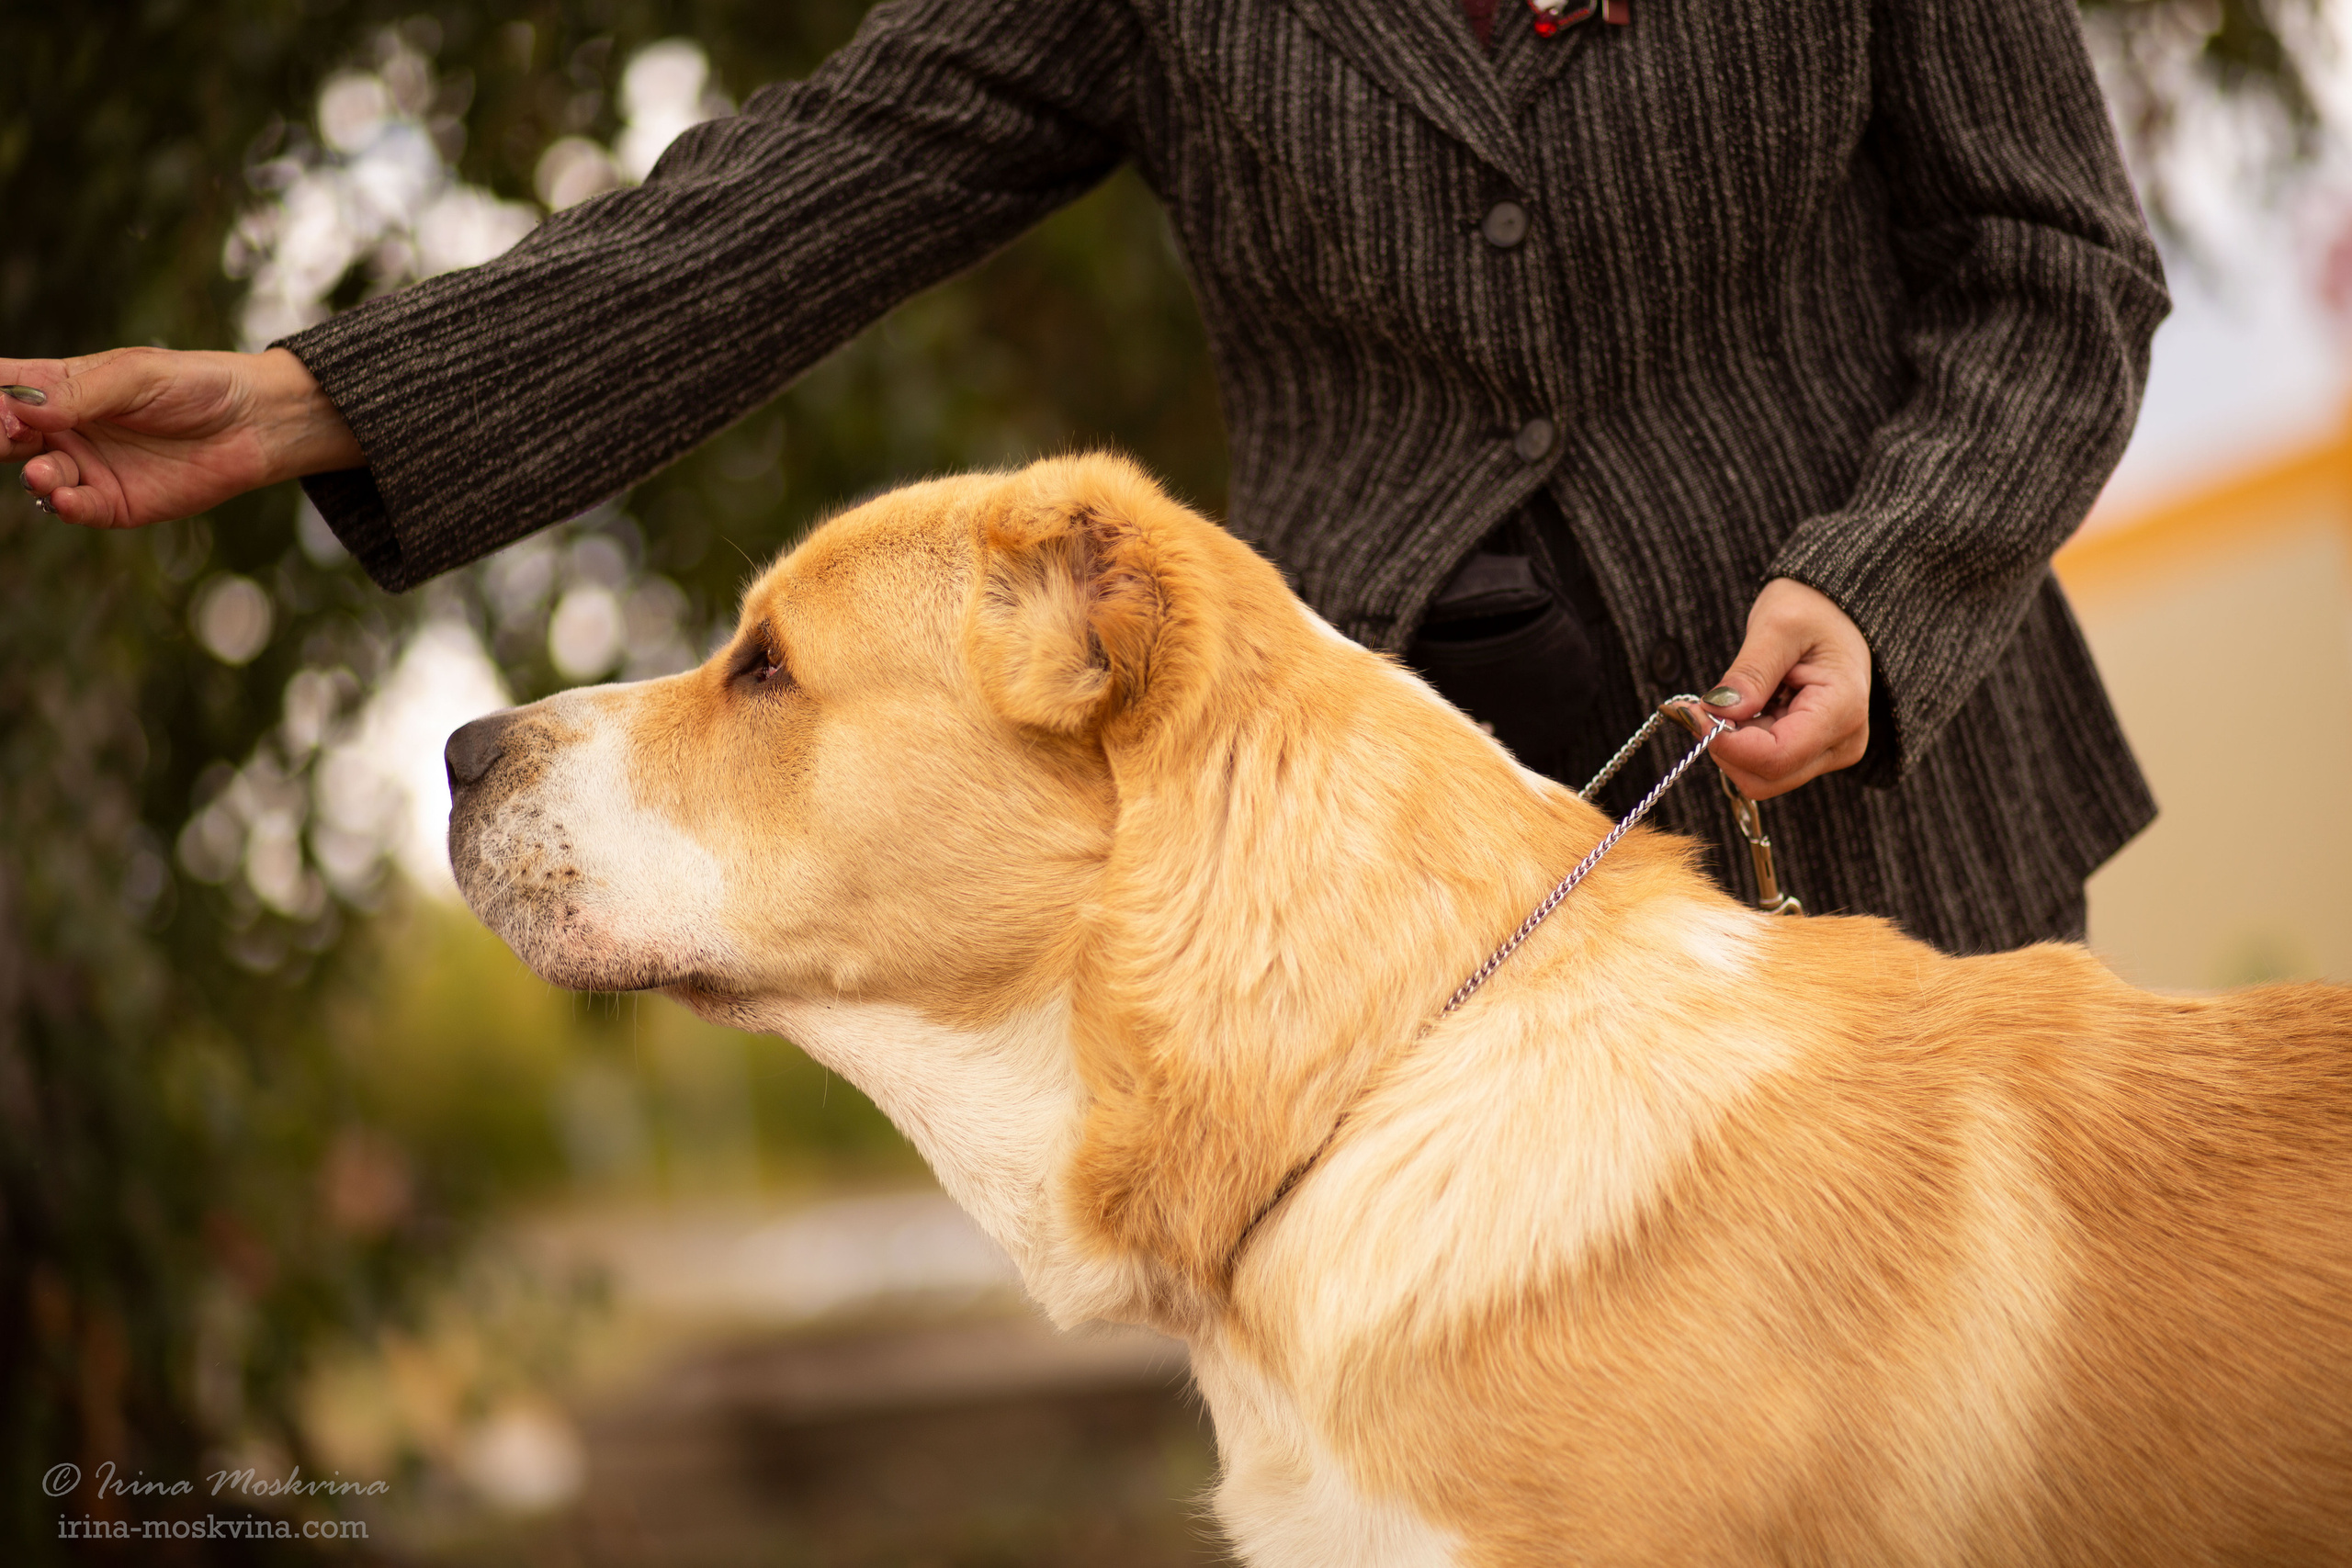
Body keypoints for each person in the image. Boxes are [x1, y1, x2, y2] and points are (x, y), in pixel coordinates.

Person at [2, 0, 2165, 955]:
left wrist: (1885, 580)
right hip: (1373, 897)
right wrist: (310, 397)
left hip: (1889, 827)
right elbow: (795, 200)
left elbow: (2049, 259)